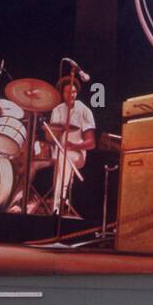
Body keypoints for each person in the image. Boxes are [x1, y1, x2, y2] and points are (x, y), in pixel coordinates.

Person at [46, 74, 97, 217]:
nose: (71, 95)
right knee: (31, 162)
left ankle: (56, 207)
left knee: (63, 158)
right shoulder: (57, 110)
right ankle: (20, 201)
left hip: (77, 154)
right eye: (68, 92)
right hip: (58, 152)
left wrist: (72, 146)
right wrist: (53, 133)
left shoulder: (85, 111)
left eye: (74, 92)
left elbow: (91, 143)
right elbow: (50, 138)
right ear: (62, 93)